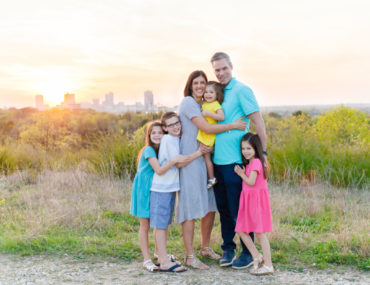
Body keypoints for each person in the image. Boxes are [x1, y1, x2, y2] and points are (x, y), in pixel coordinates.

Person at [178, 70, 246, 270]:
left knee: (209, 206)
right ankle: (190, 255)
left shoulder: (204, 105)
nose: (200, 86)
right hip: (191, 158)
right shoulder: (189, 103)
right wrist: (233, 125)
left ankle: (205, 247)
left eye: (203, 83)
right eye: (196, 83)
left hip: (205, 158)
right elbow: (206, 129)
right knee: (190, 208)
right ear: (190, 85)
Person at [210, 52, 268, 269]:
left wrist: (263, 155)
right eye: (217, 70)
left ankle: (247, 252)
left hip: (236, 161)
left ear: (231, 66)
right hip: (217, 161)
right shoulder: (215, 93)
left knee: (241, 210)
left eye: (224, 68)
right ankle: (227, 249)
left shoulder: (242, 90)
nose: (221, 73)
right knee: (224, 208)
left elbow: (258, 121)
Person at [150, 112, 205, 273]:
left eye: (177, 123)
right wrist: (199, 152)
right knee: (161, 225)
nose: (176, 126)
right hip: (162, 188)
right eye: (171, 125)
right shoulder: (169, 140)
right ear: (165, 128)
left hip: (169, 188)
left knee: (164, 224)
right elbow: (179, 163)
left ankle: (161, 255)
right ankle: (164, 261)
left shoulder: (173, 139)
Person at [130, 121, 186, 272]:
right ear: (148, 136)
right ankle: (147, 259)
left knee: (159, 223)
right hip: (144, 190)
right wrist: (174, 160)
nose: (156, 135)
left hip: (154, 189)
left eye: (160, 133)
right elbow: (159, 170)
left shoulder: (161, 148)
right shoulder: (148, 150)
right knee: (145, 224)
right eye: (153, 133)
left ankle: (159, 253)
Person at [234, 133, 273, 275]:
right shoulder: (250, 163)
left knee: (260, 234)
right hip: (248, 201)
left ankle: (268, 265)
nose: (245, 151)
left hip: (256, 202)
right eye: (243, 148)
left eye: (249, 148)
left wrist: (241, 174)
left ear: (256, 148)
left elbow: (251, 182)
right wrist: (245, 172)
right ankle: (256, 255)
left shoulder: (256, 162)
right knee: (240, 229)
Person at [197, 81, 225, 189]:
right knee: (204, 157)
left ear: (217, 94)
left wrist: (209, 114)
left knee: (206, 157)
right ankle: (209, 176)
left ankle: (212, 178)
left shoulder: (215, 105)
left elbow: (221, 117)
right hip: (203, 133)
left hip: (209, 134)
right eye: (206, 92)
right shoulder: (205, 104)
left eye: (211, 92)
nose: (208, 94)